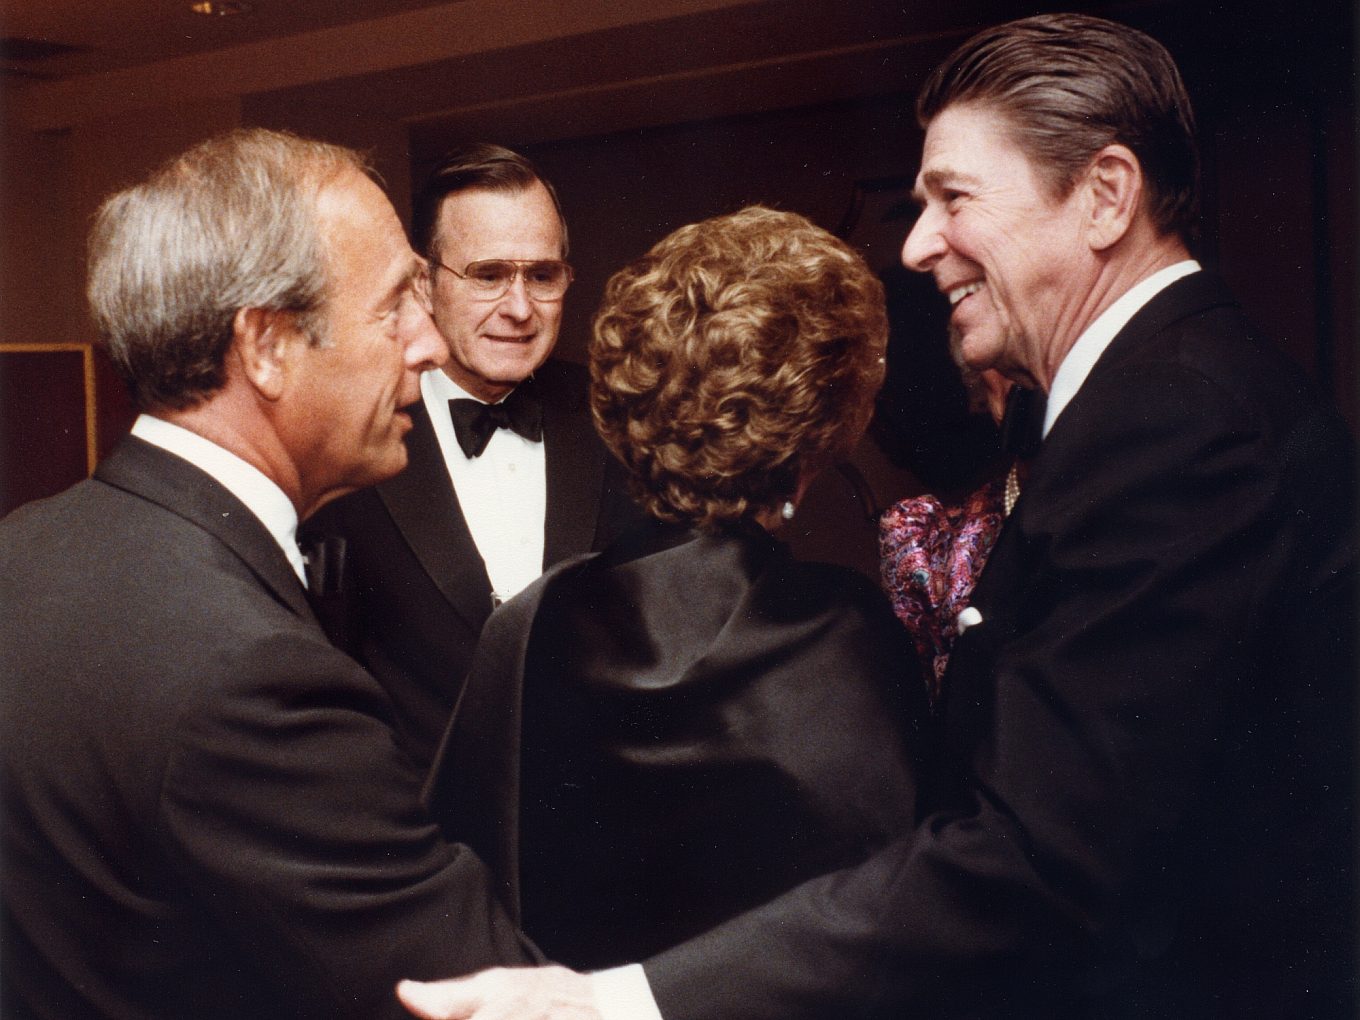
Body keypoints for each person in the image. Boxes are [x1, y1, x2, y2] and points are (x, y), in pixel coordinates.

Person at [397, 13, 1356, 1020]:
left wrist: (617, 1001)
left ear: (1105, 195)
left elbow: (1041, 854)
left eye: (951, 197)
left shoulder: (1178, 424)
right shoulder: (1167, 406)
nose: (917, 241)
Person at [0, 129, 539, 1020]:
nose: (430, 346)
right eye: (394, 307)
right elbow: (475, 996)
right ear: (267, 347)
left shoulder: (24, 547)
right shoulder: (250, 678)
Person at [421, 205, 930, 971]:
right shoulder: (844, 629)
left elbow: (466, 888)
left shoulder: (531, 622)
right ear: (826, 424)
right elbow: (896, 910)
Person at [303, 143, 638, 771]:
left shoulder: (622, 420)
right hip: (416, 841)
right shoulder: (350, 436)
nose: (518, 309)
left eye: (541, 276)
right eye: (488, 275)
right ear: (424, 283)